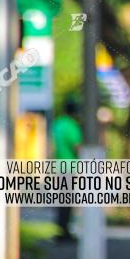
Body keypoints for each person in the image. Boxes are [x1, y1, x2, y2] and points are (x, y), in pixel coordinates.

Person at [51, 98, 82, 241]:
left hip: (58, 166)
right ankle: (65, 232)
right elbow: (77, 146)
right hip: (70, 167)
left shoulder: (57, 124)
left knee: (62, 201)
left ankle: (61, 229)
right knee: (68, 202)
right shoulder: (71, 125)